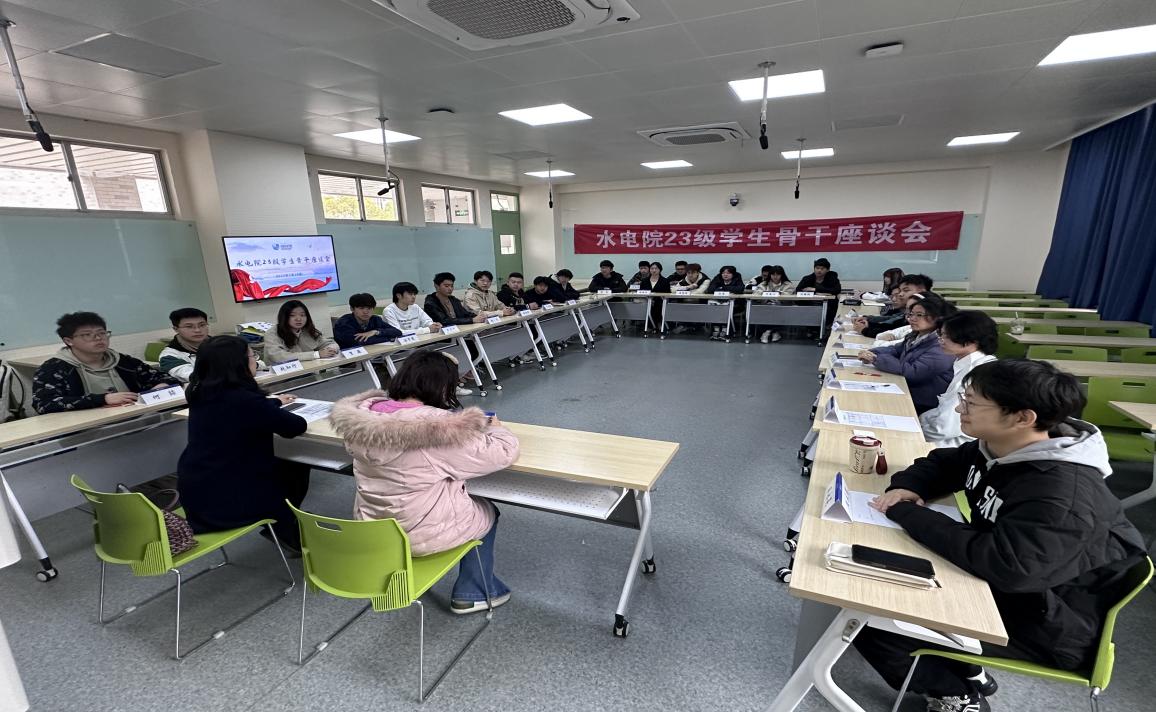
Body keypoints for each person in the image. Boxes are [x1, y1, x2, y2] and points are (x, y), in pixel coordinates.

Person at [858, 359, 1145, 712]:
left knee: (873, 619)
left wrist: (907, 512)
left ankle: (957, 697)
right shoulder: (1000, 446)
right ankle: (969, 669)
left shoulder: (1062, 495)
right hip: (1005, 586)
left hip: (1046, 622)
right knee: (874, 584)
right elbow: (943, 463)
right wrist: (908, 488)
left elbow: (1006, 566)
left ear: (1022, 417)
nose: (960, 409)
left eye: (971, 404)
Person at [328, 350, 520, 614]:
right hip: (418, 534)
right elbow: (502, 453)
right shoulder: (436, 428)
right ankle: (474, 592)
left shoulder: (363, 417)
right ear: (442, 387)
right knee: (488, 511)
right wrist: (496, 428)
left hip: (374, 530)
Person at [176, 335, 310, 552]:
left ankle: (284, 521)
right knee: (297, 461)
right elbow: (295, 426)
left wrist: (274, 402)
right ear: (237, 364)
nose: (255, 360)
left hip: (197, 492)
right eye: (251, 355)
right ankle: (283, 524)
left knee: (283, 463)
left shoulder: (199, 391)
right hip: (227, 501)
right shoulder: (245, 400)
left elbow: (244, 411)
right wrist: (269, 406)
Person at [32, 311, 174, 414]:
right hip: (86, 431)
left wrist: (161, 386)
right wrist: (103, 399)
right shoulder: (54, 369)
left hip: (136, 421)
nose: (98, 338)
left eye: (102, 333)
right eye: (87, 335)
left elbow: (165, 377)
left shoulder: (122, 361)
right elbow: (43, 404)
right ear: (69, 341)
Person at [858, 293, 956, 414]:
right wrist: (872, 352)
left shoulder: (941, 344)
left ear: (938, 318)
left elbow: (913, 372)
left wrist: (876, 359)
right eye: (911, 314)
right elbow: (896, 349)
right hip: (905, 388)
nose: (912, 319)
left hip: (921, 401)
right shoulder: (916, 335)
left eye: (919, 315)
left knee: (867, 402)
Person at [920, 311, 998, 447]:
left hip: (954, 444)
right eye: (941, 334)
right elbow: (942, 412)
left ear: (971, 340)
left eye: (947, 336)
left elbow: (943, 429)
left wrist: (913, 432)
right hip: (945, 434)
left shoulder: (976, 372)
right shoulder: (970, 362)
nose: (941, 340)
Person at [158, 307, 235, 383]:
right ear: (176, 329)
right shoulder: (169, 356)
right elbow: (195, 377)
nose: (197, 330)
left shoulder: (224, 345)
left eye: (202, 325)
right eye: (189, 326)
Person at [854, 274, 934, 338]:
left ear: (922, 291)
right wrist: (868, 322)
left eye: (906, 290)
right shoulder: (908, 311)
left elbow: (895, 333)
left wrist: (865, 330)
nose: (900, 294)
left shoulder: (927, 313)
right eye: (901, 290)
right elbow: (892, 323)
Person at [263, 300, 339, 364]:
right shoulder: (272, 333)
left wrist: (331, 349)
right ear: (284, 317)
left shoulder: (308, 330)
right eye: (292, 315)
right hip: (282, 374)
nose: (298, 319)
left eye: (302, 315)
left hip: (309, 370)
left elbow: (329, 343)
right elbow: (278, 357)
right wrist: (316, 355)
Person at [333, 293, 403, 349]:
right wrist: (390, 338)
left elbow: (397, 332)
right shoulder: (343, 323)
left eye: (369, 308)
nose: (365, 312)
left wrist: (375, 332)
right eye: (361, 308)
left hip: (374, 354)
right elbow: (358, 343)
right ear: (352, 309)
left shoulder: (375, 319)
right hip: (349, 359)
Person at [423, 272, 488, 327]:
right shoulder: (430, 303)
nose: (450, 289)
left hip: (459, 331)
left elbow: (465, 314)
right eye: (446, 286)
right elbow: (444, 321)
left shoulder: (454, 300)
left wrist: (479, 317)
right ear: (436, 286)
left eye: (452, 286)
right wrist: (472, 320)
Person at [752, 265, 795, 343]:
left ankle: (767, 332)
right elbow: (756, 293)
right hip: (765, 306)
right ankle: (774, 332)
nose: (775, 277)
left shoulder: (788, 284)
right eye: (773, 274)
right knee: (762, 310)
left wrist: (776, 295)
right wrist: (768, 296)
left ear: (782, 275)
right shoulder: (764, 283)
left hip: (782, 307)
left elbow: (789, 295)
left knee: (775, 309)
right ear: (770, 275)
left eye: (778, 274)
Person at [706, 265, 744, 340]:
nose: (725, 275)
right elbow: (710, 289)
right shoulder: (718, 277)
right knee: (716, 310)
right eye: (723, 273)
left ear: (733, 274)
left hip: (735, 305)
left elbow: (740, 289)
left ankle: (726, 330)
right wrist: (729, 289)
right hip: (718, 304)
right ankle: (716, 329)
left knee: (725, 310)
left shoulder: (737, 278)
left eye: (728, 273)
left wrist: (722, 287)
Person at [639, 262, 671, 332]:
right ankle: (651, 325)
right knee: (646, 305)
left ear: (660, 270)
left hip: (661, 301)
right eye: (652, 268)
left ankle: (656, 324)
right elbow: (641, 292)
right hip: (647, 300)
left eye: (656, 268)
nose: (654, 270)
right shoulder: (644, 281)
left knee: (657, 305)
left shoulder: (665, 281)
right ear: (649, 270)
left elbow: (667, 293)